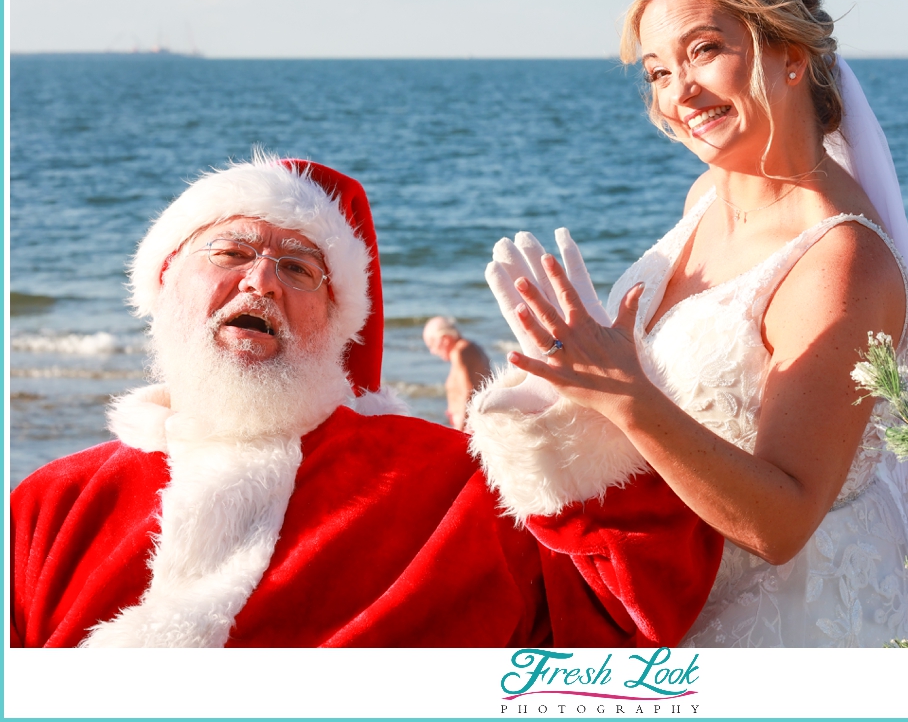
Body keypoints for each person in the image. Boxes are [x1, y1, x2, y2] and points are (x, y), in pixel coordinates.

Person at [468, 0, 908, 647]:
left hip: (790, 618)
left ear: (790, 53)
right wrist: (563, 377)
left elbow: (783, 521)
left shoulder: (840, 259)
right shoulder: (708, 193)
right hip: (670, 589)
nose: (679, 93)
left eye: (703, 50)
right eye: (658, 71)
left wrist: (624, 394)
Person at [10, 155, 722, 648]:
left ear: (335, 321)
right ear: (163, 282)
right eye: (230, 252)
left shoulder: (455, 487)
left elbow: (632, 606)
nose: (262, 279)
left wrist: (595, 420)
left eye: (298, 267)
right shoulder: (49, 503)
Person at [423, 313, 493, 429]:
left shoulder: (460, 351)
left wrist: (460, 430)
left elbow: (470, 393)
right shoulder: (472, 347)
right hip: (475, 422)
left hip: (469, 425)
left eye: (432, 345)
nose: (432, 351)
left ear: (444, 339)